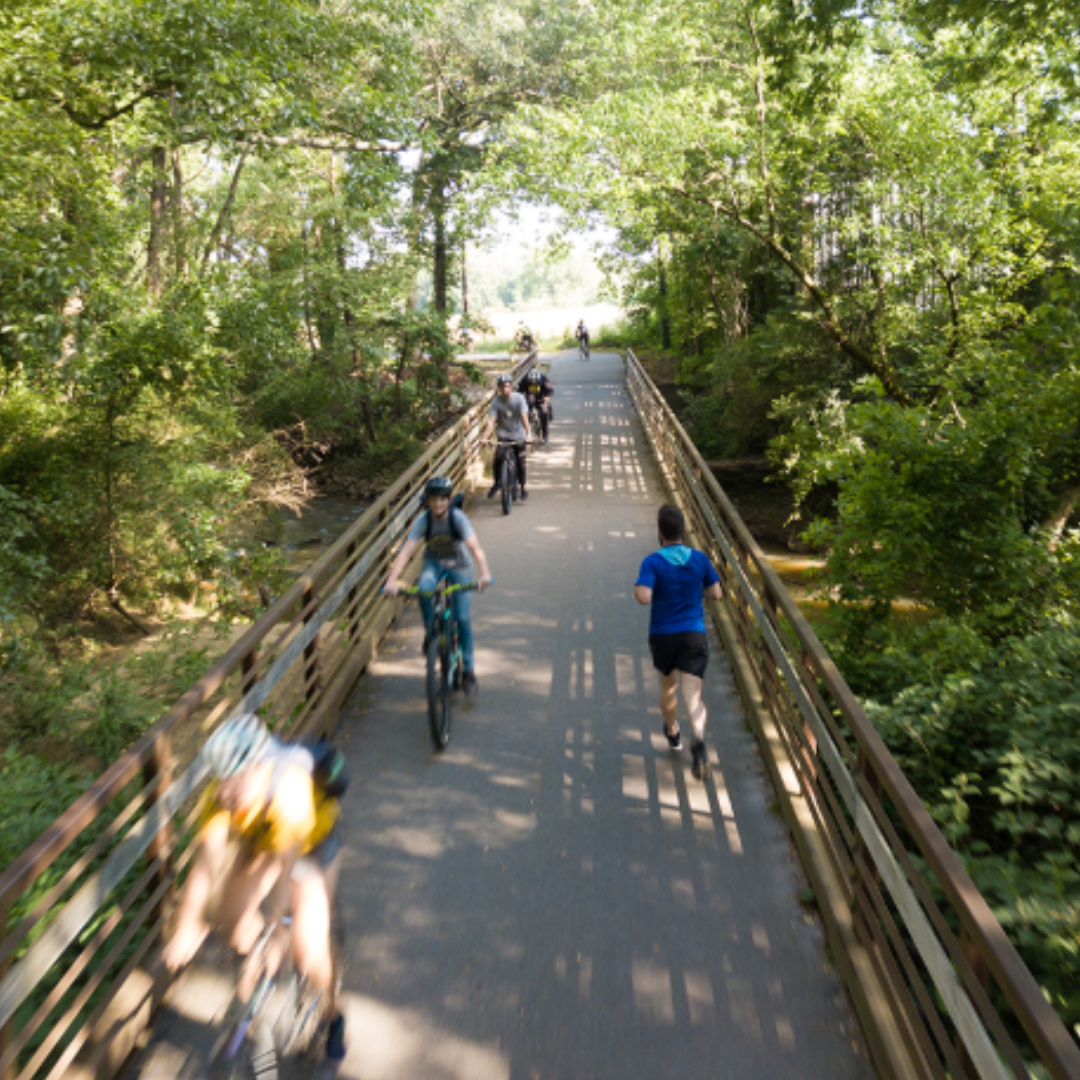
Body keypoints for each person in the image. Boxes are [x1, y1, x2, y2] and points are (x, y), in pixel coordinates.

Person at [163, 713, 347, 1072]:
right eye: (220, 782)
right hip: (262, 836)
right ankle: (257, 965)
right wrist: (188, 922)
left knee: (307, 949)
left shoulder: (289, 790)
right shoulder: (223, 795)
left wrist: (281, 928)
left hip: (311, 845)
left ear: (257, 769)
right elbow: (206, 861)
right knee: (229, 923)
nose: (223, 794)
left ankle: (331, 1013)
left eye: (232, 783)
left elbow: (287, 872)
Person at [634, 505, 722, 780]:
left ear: (659, 531)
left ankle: (672, 733)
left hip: (663, 635)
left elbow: (643, 596)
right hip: (694, 633)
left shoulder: (652, 562)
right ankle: (698, 738)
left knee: (668, 688)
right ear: (684, 530)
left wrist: (647, 589)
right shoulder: (699, 559)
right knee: (692, 695)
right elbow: (716, 594)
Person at [383, 476, 493, 694]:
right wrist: (391, 581)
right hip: (433, 563)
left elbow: (475, 548)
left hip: (459, 565)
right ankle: (430, 630)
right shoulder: (423, 520)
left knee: (461, 618)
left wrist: (484, 574)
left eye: (442, 499)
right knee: (424, 589)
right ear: (428, 501)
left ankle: (468, 670)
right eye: (433, 500)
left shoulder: (458, 518)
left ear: (448, 500)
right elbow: (406, 551)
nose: (438, 504)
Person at [482, 373, 532, 502]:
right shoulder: (496, 401)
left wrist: (528, 434)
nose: (505, 390)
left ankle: (522, 487)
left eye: (508, 386)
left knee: (521, 463)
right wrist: (485, 437)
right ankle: (496, 484)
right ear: (499, 388)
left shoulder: (519, 399)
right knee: (498, 458)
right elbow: (491, 421)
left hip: (518, 434)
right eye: (502, 387)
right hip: (503, 434)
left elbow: (524, 418)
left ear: (511, 386)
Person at [517, 363, 554, 443]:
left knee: (544, 412)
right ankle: (528, 433)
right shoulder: (525, 380)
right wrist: (521, 397)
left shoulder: (543, 379)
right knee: (526, 413)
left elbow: (550, 389)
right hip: (530, 398)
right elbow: (519, 391)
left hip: (541, 397)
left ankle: (545, 433)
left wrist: (547, 397)